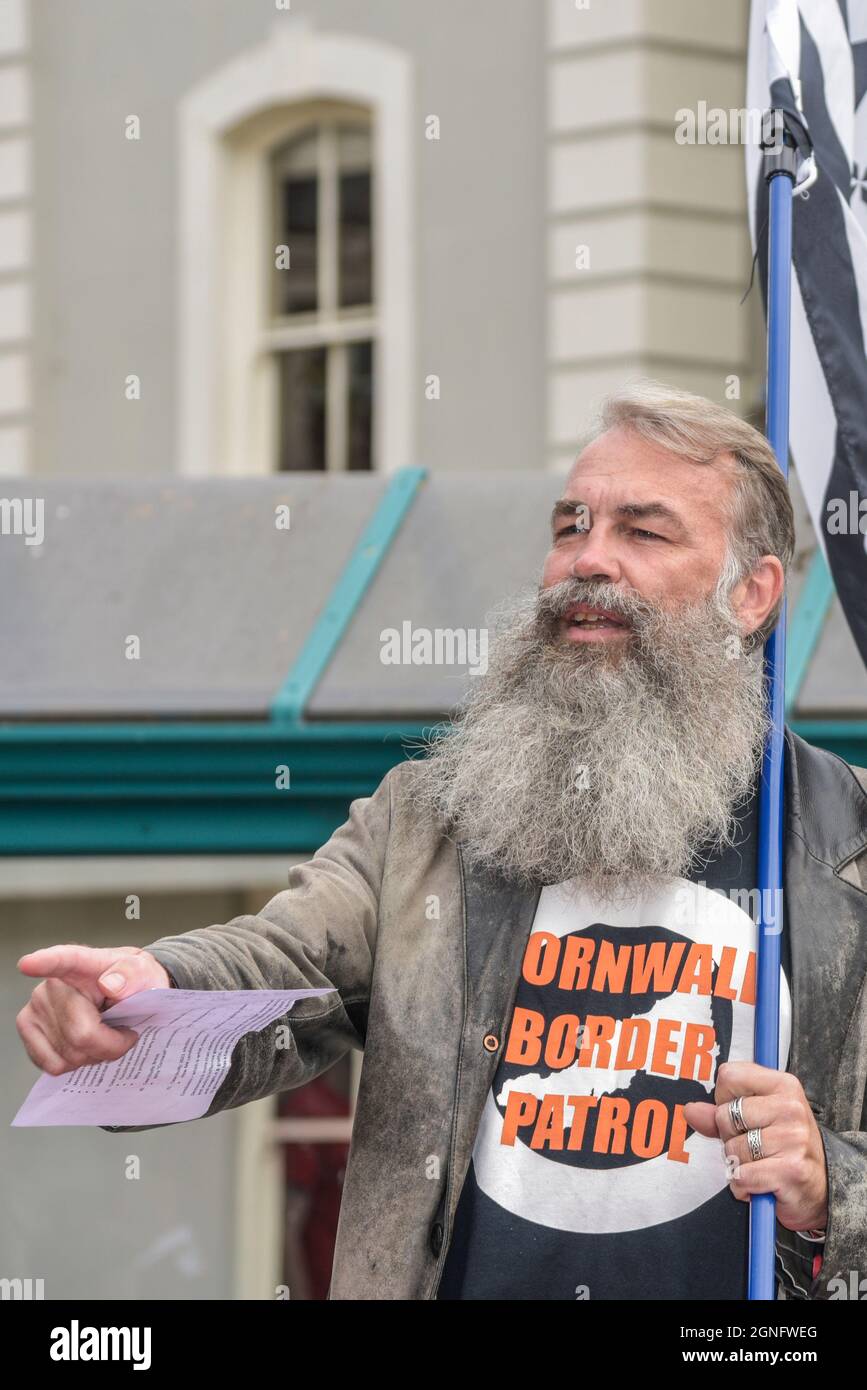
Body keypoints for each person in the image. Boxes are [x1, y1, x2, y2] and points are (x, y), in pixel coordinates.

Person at [17, 382, 867, 1300]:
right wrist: (153, 991)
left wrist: (832, 1182)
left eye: (642, 532)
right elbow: (282, 961)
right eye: (569, 526)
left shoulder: (848, 845)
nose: (588, 561)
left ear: (751, 594)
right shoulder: (431, 816)